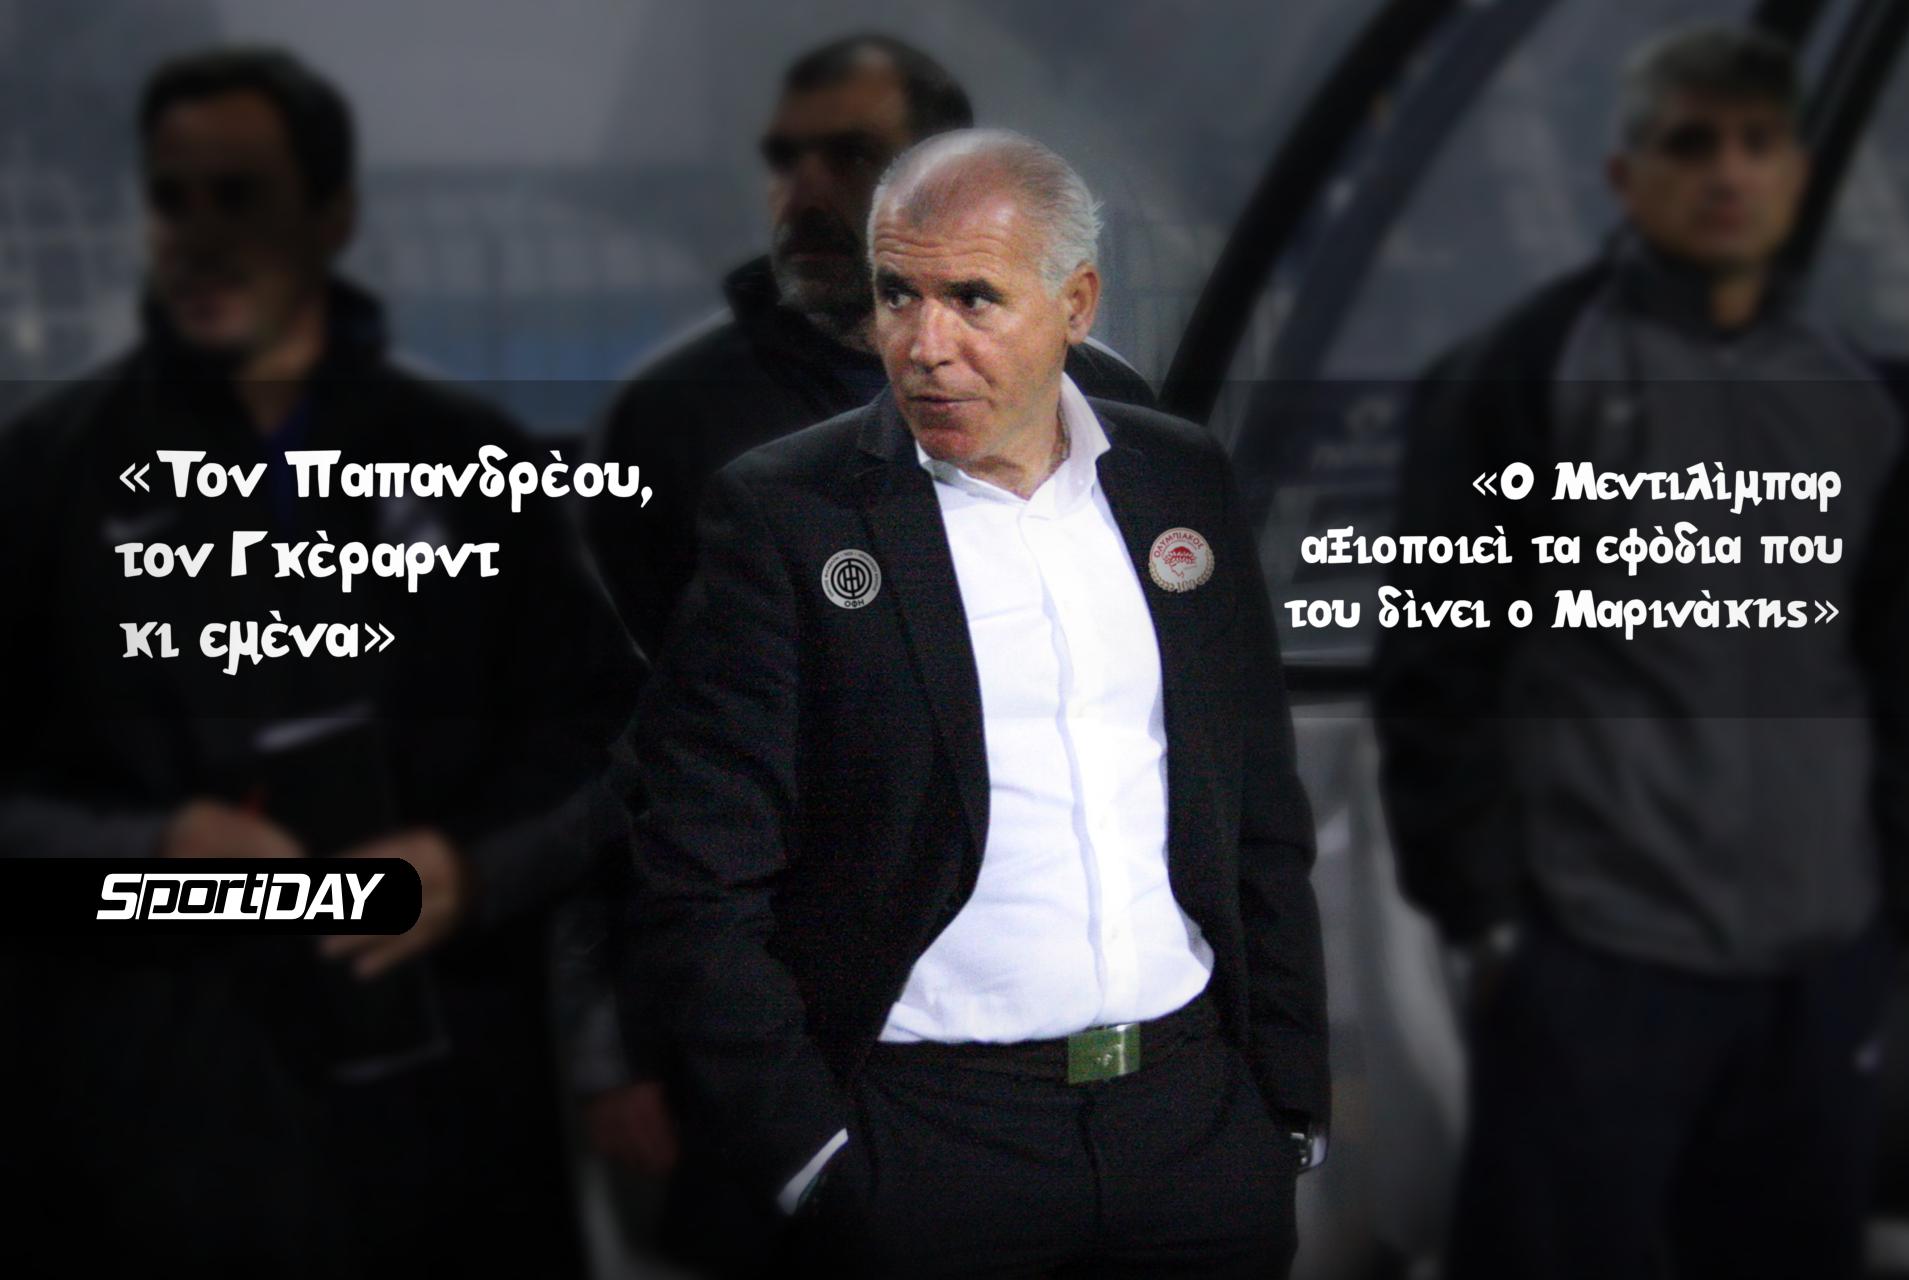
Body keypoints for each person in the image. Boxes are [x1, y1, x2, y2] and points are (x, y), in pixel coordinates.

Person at [624, 128, 1328, 1278]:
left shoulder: (1179, 480)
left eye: (973, 299)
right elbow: (695, 872)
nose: (924, 344)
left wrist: (1285, 1101)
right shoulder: (788, 515)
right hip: (927, 1145)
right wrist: (810, 1157)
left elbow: (1257, 805)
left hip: (1193, 1129)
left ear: (1077, 303)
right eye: (897, 294)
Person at [0, 46, 641, 1275]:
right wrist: (148, 850)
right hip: (143, 1143)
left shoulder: (467, 454)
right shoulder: (45, 471)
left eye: (238, 195)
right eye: (173, 198)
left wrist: (471, 869)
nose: (198, 235)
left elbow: (608, 745)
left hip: (443, 1136)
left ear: (332, 215)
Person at [1374, 24, 1909, 1279]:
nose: (1728, 173)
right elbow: (1438, 667)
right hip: (1598, 960)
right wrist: (1493, 924)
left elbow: (1895, 665)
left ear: (1796, 173)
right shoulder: (1521, 374)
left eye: (1757, 143)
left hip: (1817, 966)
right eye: (1691, 144)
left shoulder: (1859, 396)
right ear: (1627, 176)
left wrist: (1888, 903)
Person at [584, 33, 1156, 659]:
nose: (801, 195)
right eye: (785, 160)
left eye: (852, 156)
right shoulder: (675, 418)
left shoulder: (1100, 396)